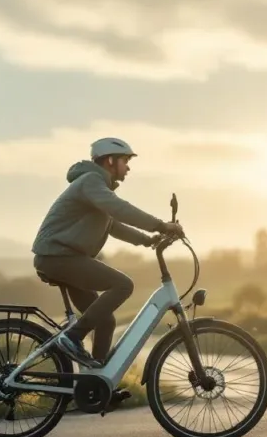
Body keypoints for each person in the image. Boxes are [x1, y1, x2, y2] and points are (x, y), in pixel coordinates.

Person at [31, 137, 183, 370]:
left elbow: (113, 225)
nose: (128, 168)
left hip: (62, 258)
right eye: (125, 161)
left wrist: (148, 240)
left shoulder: (95, 187)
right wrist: (160, 225)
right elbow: (119, 209)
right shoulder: (91, 181)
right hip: (59, 257)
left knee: (106, 321)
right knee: (123, 285)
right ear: (110, 161)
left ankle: (95, 382)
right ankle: (72, 337)